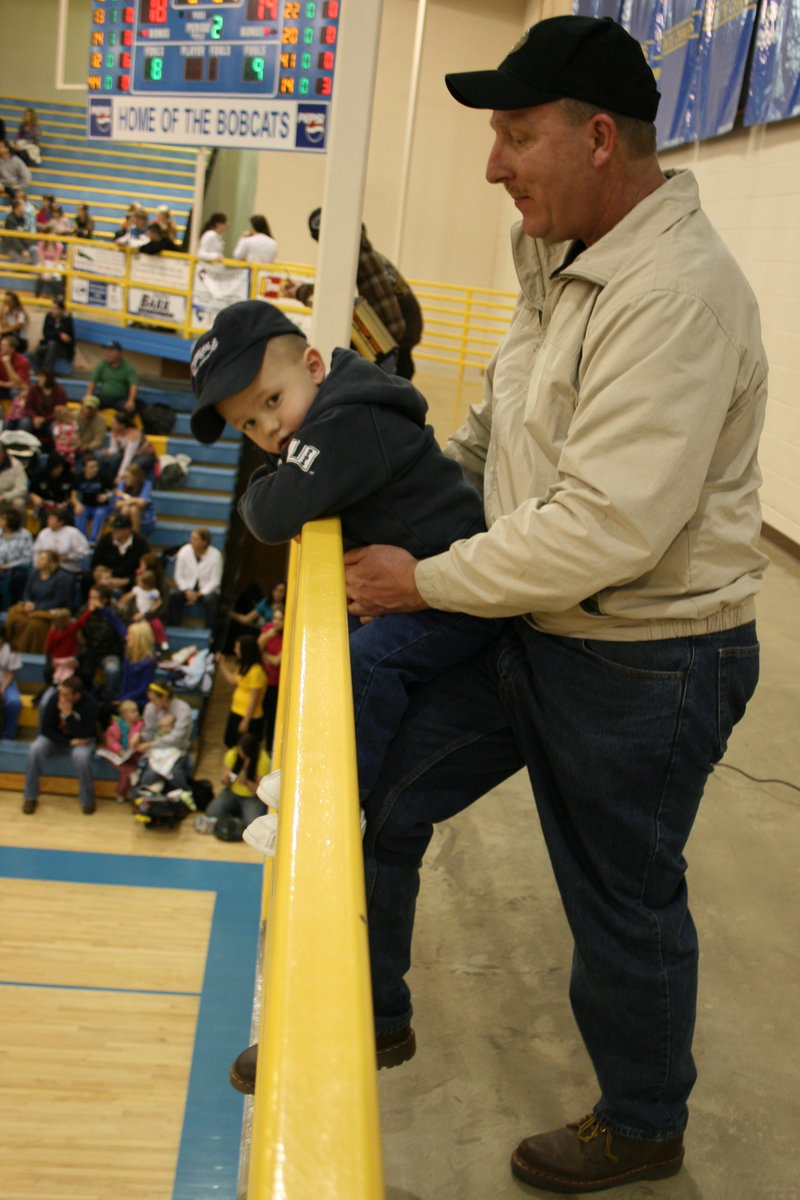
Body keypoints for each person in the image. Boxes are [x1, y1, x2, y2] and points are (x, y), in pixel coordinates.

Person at [296, 15, 770, 1194]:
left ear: (597, 137)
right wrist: (415, 493)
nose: (492, 164)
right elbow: (500, 425)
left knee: (618, 897)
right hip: (536, 621)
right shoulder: (557, 259)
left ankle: (642, 1121)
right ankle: (376, 1012)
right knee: (384, 792)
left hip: (643, 662)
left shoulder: (674, 295)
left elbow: (607, 528)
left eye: (513, 135)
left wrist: (426, 579)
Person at [189, 301, 493, 806]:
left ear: (314, 368)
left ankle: (335, 796)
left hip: (464, 598)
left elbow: (269, 515)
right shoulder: (326, 420)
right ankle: (317, 766)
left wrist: (264, 486)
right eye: (247, 424)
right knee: (331, 647)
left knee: (365, 662)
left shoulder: (347, 419)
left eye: (271, 401)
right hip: (426, 589)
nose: (267, 429)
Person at [286, 209, 423, 379]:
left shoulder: (350, 254)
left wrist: (299, 291)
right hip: (400, 335)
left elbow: (331, 295)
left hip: (387, 343)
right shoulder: (368, 252)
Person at [23, 675, 99, 815]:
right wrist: (68, 742)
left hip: (82, 742)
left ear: (76, 695)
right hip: (60, 740)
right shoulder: (54, 699)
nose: (61, 697)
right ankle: (30, 797)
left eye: (65, 694)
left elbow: (86, 734)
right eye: (60, 693)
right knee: (35, 749)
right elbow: (46, 729)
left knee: (81, 757)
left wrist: (68, 715)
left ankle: (87, 800)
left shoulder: (90, 704)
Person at [196, 732, 270, 834]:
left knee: (253, 826)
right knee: (211, 812)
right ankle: (237, 815)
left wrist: (247, 783)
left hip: (252, 798)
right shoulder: (232, 754)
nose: (240, 753)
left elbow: (259, 792)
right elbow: (224, 782)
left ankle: (240, 815)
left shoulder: (263, 760)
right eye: (239, 750)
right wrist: (226, 778)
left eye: (243, 752)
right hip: (232, 793)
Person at [5, 548, 74, 652]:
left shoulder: (61, 578)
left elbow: (60, 600)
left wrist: (37, 606)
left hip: (50, 609)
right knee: (13, 613)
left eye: (42, 559)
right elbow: (27, 591)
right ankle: (8, 646)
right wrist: (28, 601)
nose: (38, 561)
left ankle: (26, 650)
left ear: (51, 563)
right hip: (31, 606)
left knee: (33, 624)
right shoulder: (34, 573)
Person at [136, 681, 193, 791]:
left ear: (164, 697)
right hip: (156, 750)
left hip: (178, 749)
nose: (152, 703)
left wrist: (151, 744)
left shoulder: (182, 709)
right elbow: (150, 732)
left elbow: (177, 737)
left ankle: (185, 795)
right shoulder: (150, 708)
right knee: (149, 775)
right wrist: (140, 736)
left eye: (154, 700)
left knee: (174, 772)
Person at [214, 633, 267, 748]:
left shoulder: (256, 672)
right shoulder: (243, 666)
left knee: (244, 747)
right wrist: (222, 664)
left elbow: (254, 699)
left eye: (238, 648)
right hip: (236, 711)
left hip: (249, 716)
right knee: (230, 742)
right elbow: (233, 680)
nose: (235, 650)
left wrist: (245, 721)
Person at [166, 527, 222, 628]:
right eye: (191, 538)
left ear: (204, 542)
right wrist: (187, 591)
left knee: (211, 601)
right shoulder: (184, 551)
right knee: (174, 596)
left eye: (195, 539)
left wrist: (200, 593)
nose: (191, 541)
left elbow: (215, 580)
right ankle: (173, 626)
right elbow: (178, 575)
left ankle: (210, 632)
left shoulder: (216, 555)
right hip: (187, 588)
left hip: (206, 591)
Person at [90, 512, 150, 594]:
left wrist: (128, 580)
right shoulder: (106, 540)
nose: (113, 531)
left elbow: (145, 568)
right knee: (87, 580)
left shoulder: (140, 543)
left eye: (117, 529)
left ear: (127, 530)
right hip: (106, 578)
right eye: (113, 528)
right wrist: (105, 578)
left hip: (131, 581)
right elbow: (95, 563)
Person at [98, 698, 143, 800]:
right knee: (128, 771)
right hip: (118, 754)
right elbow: (110, 740)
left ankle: (121, 793)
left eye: (137, 711)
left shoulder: (140, 725)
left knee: (128, 772)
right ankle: (122, 793)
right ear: (125, 715)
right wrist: (119, 750)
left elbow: (142, 738)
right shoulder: (115, 726)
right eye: (133, 712)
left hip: (133, 754)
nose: (136, 714)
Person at [32, 505, 89, 578]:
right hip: (44, 569)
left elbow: (84, 551)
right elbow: (36, 551)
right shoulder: (44, 533)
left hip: (66, 568)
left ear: (61, 522)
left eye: (52, 519)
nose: (49, 521)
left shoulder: (73, 533)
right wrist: (37, 565)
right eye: (49, 519)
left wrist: (69, 557)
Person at [83, 342, 138, 415]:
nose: (108, 354)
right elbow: (93, 380)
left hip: (121, 400)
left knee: (129, 409)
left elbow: (133, 385)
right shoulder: (102, 365)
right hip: (104, 398)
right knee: (89, 404)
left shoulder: (128, 367)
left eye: (111, 351)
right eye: (107, 351)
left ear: (119, 353)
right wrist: (88, 394)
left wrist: (131, 400)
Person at [257, 603, 283, 753]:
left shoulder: (289, 635)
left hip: (277, 683)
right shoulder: (268, 629)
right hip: (263, 679)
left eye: (280, 619)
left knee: (272, 717)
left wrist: (262, 655)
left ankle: (268, 749)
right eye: (275, 618)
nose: (276, 622)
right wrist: (267, 636)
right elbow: (256, 648)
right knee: (260, 712)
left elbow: (276, 661)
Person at [71, 453, 112, 542]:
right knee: (80, 512)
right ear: (84, 468)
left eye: (96, 466)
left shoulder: (103, 477)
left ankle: (93, 541)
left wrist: (107, 495)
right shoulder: (78, 478)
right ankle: (81, 541)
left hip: (102, 506)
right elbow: (73, 495)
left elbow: (115, 491)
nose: (95, 469)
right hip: (87, 506)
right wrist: (77, 504)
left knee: (99, 513)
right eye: (91, 467)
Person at [23, 367, 68, 445]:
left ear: (48, 378)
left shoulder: (59, 391)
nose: (38, 379)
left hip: (51, 420)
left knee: (55, 427)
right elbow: (28, 407)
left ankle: (56, 450)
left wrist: (45, 419)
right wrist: (34, 417)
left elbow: (61, 411)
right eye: (38, 376)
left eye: (41, 377)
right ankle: (22, 446)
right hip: (35, 419)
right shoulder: (33, 389)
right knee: (24, 422)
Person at [0, 505, 33, 610]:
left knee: (16, 577)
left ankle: (10, 608)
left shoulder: (25, 535)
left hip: (17, 568)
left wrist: (8, 566)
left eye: (2, 519)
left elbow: (27, 559)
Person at [32, 297, 75, 372]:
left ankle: (46, 371)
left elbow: (66, 339)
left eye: (55, 308)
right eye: (52, 308)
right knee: (35, 352)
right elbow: (46, 333)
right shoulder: (49, 317)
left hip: (63, 348)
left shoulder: (67, 320)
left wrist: (55, 334)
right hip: (48, 344)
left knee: (53, 344)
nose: (53, 311)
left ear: (62, 310)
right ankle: (41, 372)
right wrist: (59, 334)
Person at [112, 463, 154, 535]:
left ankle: (135, 537)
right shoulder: (122, 483)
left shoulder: (146, 484)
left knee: (134, 509)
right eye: (124, 477)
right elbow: (117, 504)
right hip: (124, 511)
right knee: (126, 509)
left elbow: (142, 503)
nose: (125, 479)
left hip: (144, 515)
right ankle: (124, 535)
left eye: (127, 477)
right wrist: (134, 500)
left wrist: (125, 496)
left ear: (135, 477)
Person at [0, 621, 23, 740]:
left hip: (6, 683)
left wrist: (2, 690)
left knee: (14, 703)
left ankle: (7, 736)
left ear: (2, 638)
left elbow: (10, 674)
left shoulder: (12, 650)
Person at [0, 332, 31, 405]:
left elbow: (19, 383)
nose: (1, 347)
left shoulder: (23, 361)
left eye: (3, 345)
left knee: (18, 392)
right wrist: (6, 384)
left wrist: (7, 364)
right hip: (4, 387)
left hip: (17, 389)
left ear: (12, 349)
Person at [0, 444, 29, 511]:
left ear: (5, 453)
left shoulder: (16, 464)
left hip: (8, 498)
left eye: (1, 453)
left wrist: (5, 497)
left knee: (18, 503)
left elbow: (22, 488)